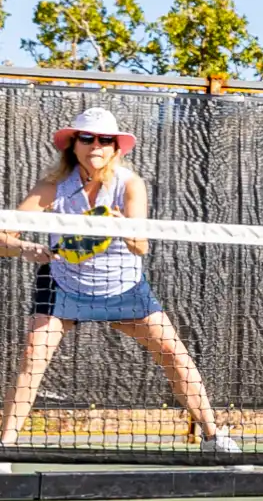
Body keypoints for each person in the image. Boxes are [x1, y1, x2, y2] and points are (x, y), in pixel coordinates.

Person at [0, 106, 240, 467]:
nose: (95, 145)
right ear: (74, 145)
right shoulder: (52, 187)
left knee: (175, 356)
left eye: (104, 139)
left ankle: (212, 436)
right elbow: (4, 237)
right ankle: (6, 447)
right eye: (87, 138)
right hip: (64, 282)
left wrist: (119, 225)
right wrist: (27, 248)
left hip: (122, 286)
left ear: (115, 147)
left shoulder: (129, 184)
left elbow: (141, 245)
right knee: (33, 358)